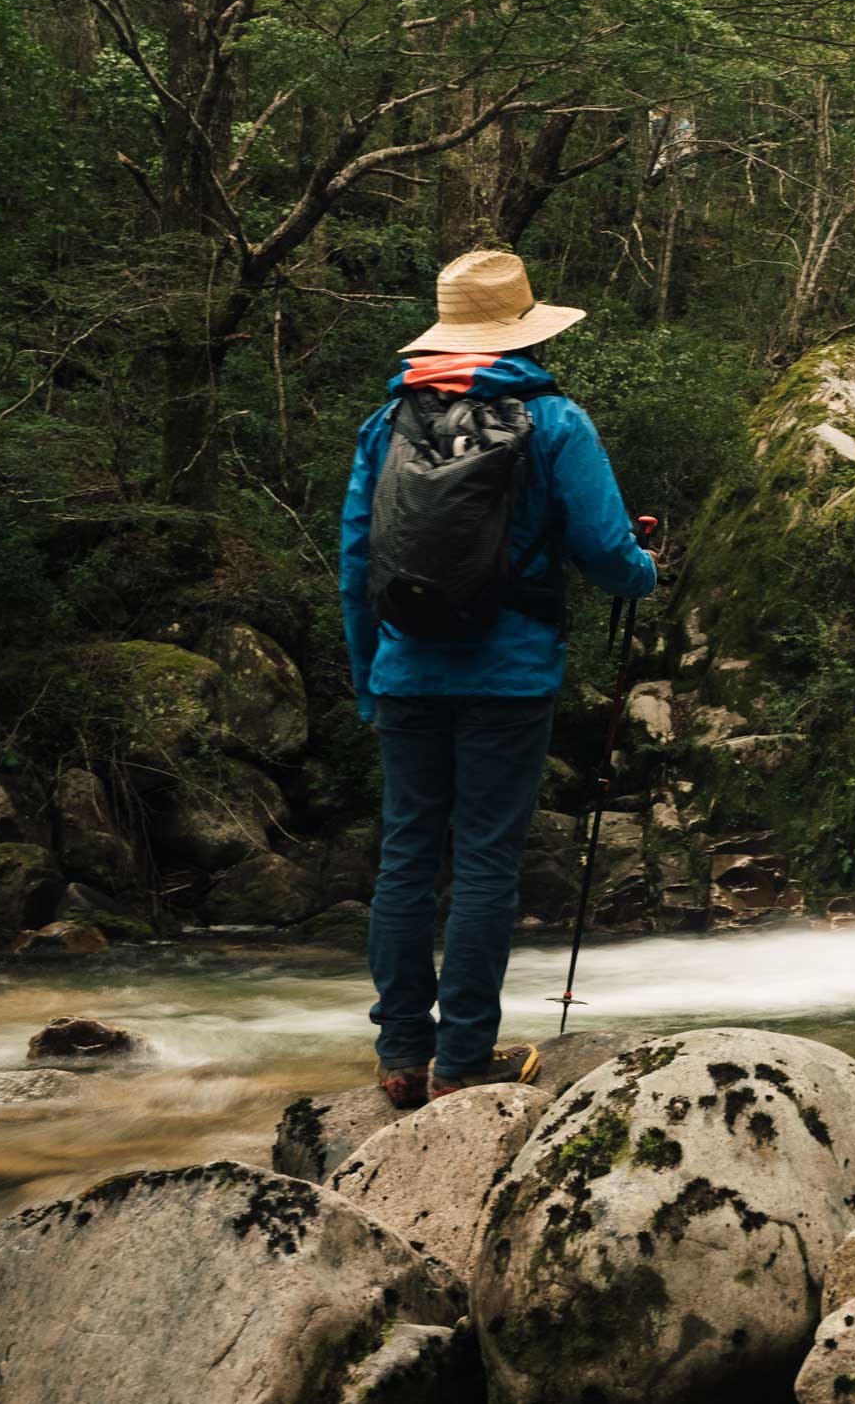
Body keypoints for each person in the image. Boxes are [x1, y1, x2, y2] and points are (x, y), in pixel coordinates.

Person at [338, 249, 657, 1108]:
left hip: (406, 669)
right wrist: (646, 571)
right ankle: (462, 1061)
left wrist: (370, 674)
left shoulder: (387, 422)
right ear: (522, 328)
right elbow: (605, 551)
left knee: (406, 856)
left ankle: (402, 1053)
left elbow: (357, 560)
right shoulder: (554, 422)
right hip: (509, 676)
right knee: (483, 861)